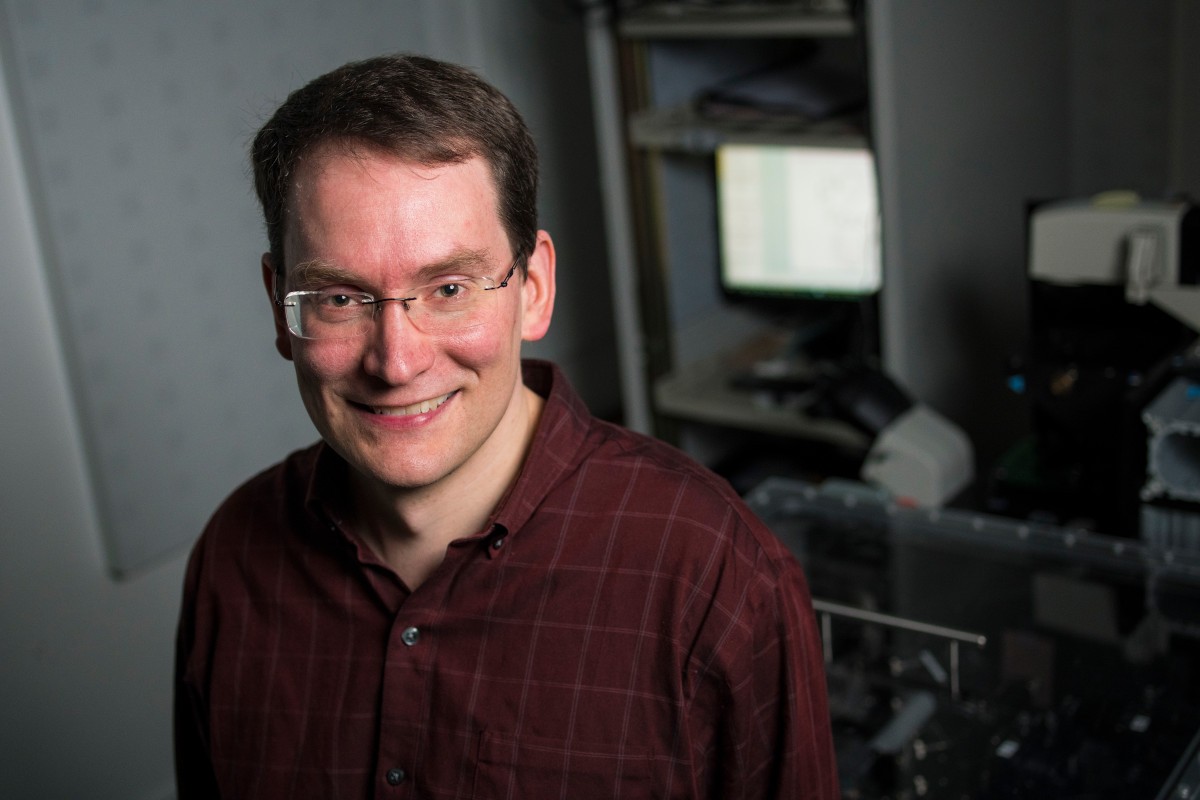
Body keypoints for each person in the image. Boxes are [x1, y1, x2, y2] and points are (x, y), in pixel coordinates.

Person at [174, 53, 839, 799]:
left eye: (450, 288)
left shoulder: (718, 579)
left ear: (534, 288)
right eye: (339, 299)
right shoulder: (231, 563)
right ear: (278, 307)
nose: (396, 362)